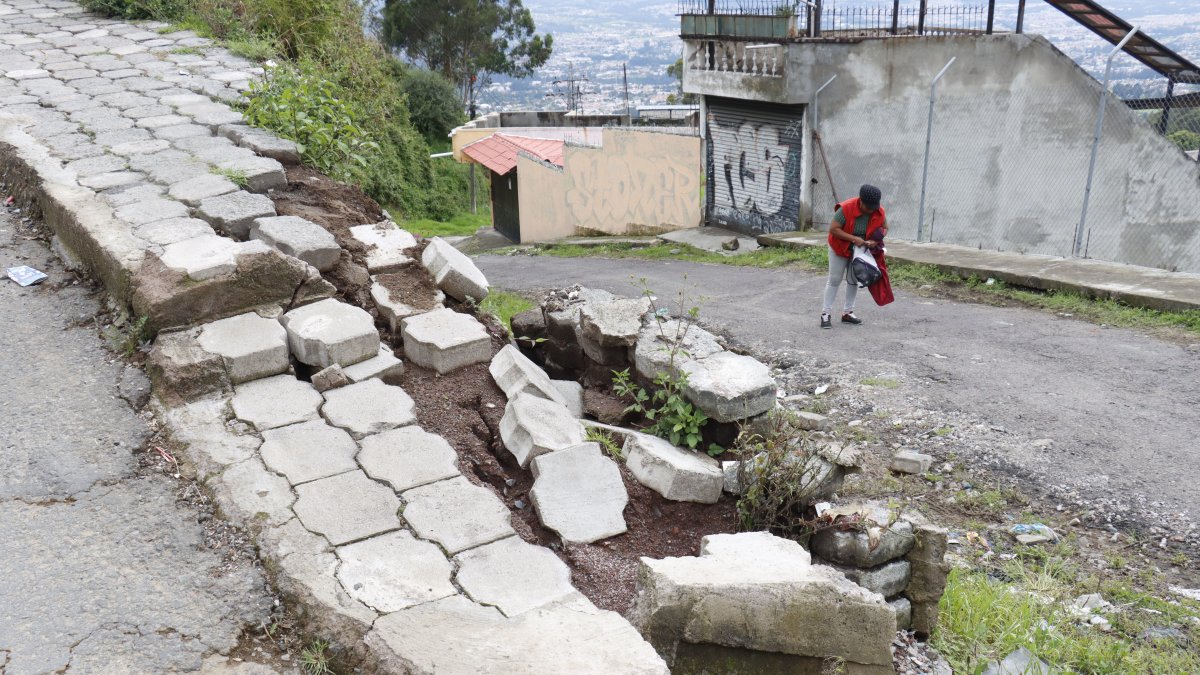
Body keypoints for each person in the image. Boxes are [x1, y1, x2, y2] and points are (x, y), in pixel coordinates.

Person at [821, 184, 888, 329]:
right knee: (834, 280)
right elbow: (833, 229)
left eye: (873, 207)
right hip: (839, 248)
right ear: (861, 201)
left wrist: (875, 241)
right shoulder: (846, 208)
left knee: (853, 280)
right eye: (868, 207)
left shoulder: (878, 211)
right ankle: (825, 314)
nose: (871, 210)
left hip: (858, 251)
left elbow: (885, 228)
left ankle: (848, 313)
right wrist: (853, 238)